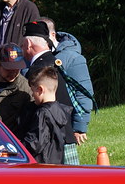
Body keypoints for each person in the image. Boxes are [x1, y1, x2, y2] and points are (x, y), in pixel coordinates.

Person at [22, 21, 79, 164]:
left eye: (22, 45)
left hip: (50, 145)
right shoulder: (54, 61)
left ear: (28, 43)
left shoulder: (38, 69)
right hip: (65, 135)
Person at [39, 17, 95, 147]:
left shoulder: (72, 58)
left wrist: (79, 127)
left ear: (52, 35)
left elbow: (84, 93)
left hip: (67, 128)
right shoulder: (33, 58)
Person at [22, 66, 73, 164]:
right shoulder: (61, 110)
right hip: (56, 164)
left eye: (33, 91)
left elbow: (35, 143)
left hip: (42, 166)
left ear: (40, 90)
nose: (32, 95)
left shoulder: (43, 113)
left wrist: (17, 148)